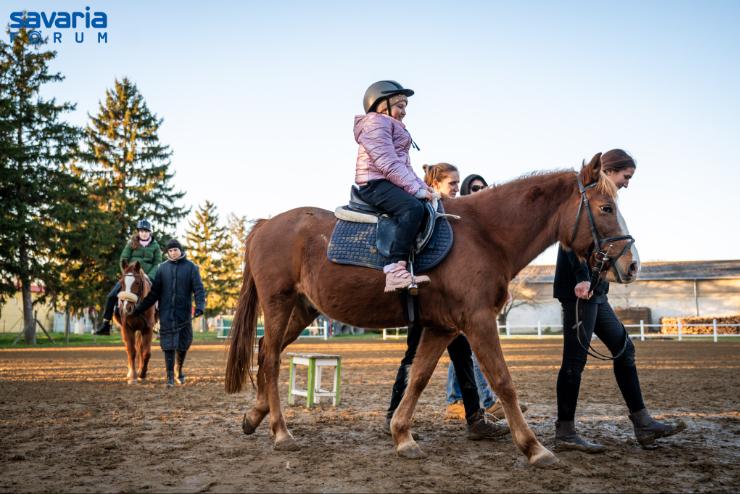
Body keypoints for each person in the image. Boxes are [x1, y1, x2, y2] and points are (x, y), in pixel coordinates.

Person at [554, 149, 686, 452]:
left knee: (624, 349)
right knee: (574, 362)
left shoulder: (606, 201)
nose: (627, 183)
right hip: (580, 291)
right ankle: (565, 433)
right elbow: (567, 238)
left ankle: (643, 425)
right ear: (611, 170)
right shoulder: (585, 197)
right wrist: (580, 278)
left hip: (597, 291)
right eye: (626, 176)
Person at [384, 163, 509, 441]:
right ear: (436, 184)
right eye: (452, 183)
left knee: (462, 354)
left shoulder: (447, 214)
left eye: (457, 183)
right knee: (412, 356)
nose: (456, 188)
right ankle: (393, 413)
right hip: (424, 301)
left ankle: (475, 418)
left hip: (448, 305)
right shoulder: (427, 211)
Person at [354, 80, 434, 293]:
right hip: (375, 182)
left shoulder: (392, 126)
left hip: (388, 180)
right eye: (400, 105)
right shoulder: (375, 123)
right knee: (412, 208)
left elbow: (405, 167)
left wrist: (424, 188)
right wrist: (415, 191)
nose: (404, 111)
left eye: (406, 106)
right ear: (381, 105)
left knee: (424, 204)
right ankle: (395, 271)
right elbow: (387, 163)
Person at [133, 239, 205, 387]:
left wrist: (200, 306)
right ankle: (170, 377)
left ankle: (179, 368)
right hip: (166, 313)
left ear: (180, 250)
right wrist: (139, 307)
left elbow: (198, 289)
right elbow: (154, 293)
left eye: (175, 250)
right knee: (168, 345)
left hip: (184, 313)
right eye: (170, 251)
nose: (173, 253)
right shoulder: (162, 268)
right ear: (167, 253)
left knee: (184, 343)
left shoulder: (191, 267)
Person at [95, 219, 162, 335]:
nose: (144, 233)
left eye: (146, 231)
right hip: (131, 277)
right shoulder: (131, 244)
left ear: (150, 232)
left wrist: (149, 276)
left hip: (148, 277)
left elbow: (157, 263)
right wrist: (127, 275)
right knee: (111, 296)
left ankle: (161, 325)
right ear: (138, 232)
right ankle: (106, 324)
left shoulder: (156, 247)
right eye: (141, 231)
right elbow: (123, 260)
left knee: (162, 296)